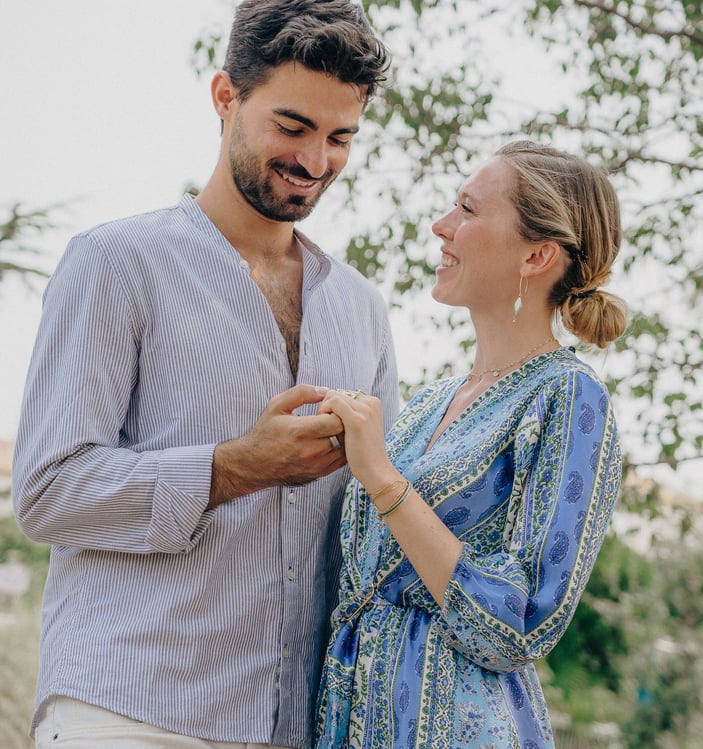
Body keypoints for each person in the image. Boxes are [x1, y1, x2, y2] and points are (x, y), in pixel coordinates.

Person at [12, 2, 397, 747]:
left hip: (293, 726)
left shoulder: (363, 310)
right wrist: (232, 468)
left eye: (339, 137)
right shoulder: (116, 263)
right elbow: (45, 492)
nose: (315, 161)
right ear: (226, 97)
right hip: (126, 711)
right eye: (292, 127)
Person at [314, 140, 628, 747]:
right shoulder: (429, 403)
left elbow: (520, 623)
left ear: (537, 254)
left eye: (467, 209)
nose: (441, 225)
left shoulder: (569, 397)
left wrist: (382, 480)